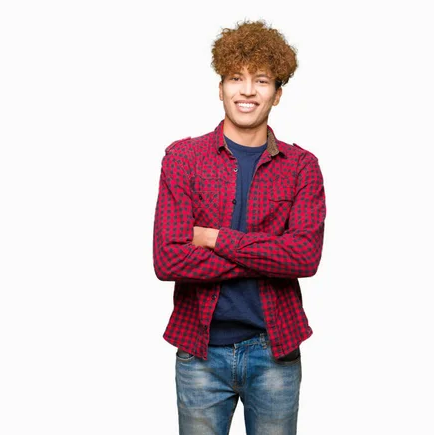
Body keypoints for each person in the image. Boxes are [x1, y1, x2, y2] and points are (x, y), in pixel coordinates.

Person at [152, 19, 326, 435]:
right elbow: (168, 259)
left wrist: (212, 238)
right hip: (199, 352)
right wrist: (269, 254)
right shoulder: (183, 158)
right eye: (236, 78)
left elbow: (303, 257)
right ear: (221, 87)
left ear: (277, 94)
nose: (247, 91)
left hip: (275, 349)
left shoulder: (302, 167)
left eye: (261, 80)